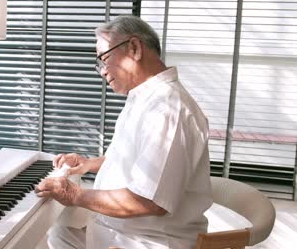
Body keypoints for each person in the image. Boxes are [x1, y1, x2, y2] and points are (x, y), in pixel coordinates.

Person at [35, 15, 212, 249]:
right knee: (60, 233)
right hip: (117, 232)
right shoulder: (142, 97)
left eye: (105, 58)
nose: (102, 71)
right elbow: (131, 160)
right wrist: (89, 163)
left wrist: (74, 195)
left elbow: (147, 201)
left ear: (134, 48)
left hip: (147, 242)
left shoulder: (168, 109)